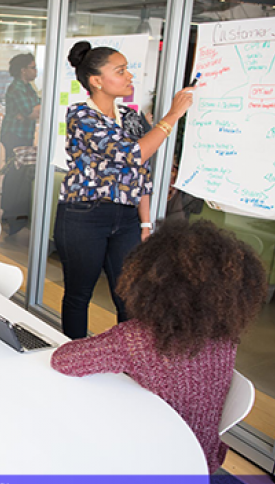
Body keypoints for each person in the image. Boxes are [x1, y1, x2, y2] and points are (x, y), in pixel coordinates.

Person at [50, 220, 266, 474]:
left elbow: (63, 360)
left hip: (153, 462)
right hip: (201, 458)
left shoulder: (137, 338)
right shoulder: (224, 336)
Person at [53, 41, 195, 340]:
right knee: (80, 293)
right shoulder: (82, 116)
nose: (129, 76)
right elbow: (132, 155)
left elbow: (139, 173)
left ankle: (128, 362)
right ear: (96, 80)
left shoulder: (130, 116)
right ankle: (73, 355)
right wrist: (173, 115)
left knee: (129, 296)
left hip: (127, 216)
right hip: (84, 215)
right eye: (120, 71)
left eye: (127, 69)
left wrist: (145, 222)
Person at [0, 53, 40, 236]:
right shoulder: (17, 88)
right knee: (14, 172)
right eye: (32, 67)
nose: (35, 70)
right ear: (23, 70)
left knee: (17, 173)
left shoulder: (28, 87)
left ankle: (12, 213)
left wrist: (31, 112)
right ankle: (10, 213)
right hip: (14, 135)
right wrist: (30, 112)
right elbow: (32, 111)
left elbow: (36, 109)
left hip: (23, 134)